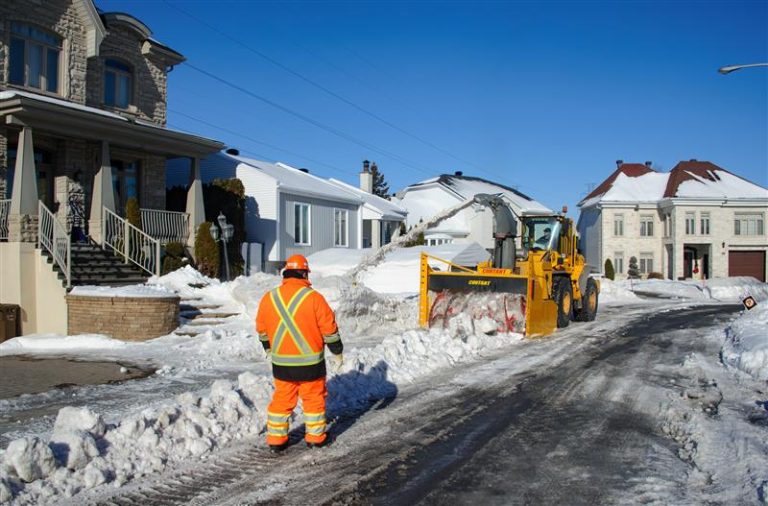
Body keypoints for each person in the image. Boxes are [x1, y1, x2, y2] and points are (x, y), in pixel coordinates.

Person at [256, 254, 343, 452]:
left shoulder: (269, 298)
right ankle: (315, 437)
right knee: (313, 400)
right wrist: (337, 352)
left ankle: (276, 440)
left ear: (286, 272)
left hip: (282, 365)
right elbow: (329, 330)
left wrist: (268, 349)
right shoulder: (314, 298)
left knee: (282, 400)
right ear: (304, 273)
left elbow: (261, 329)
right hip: (310, 365)